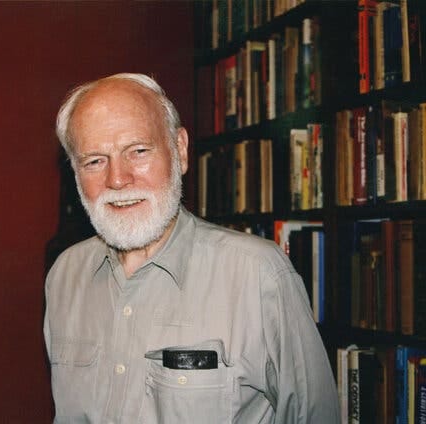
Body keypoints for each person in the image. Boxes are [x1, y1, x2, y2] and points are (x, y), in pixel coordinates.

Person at [44, 73, 340, 423]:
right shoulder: (64, 276)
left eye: (138, 151)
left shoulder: (258, 274)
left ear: (179, 150)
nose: (118, 179)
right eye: (94, 161)